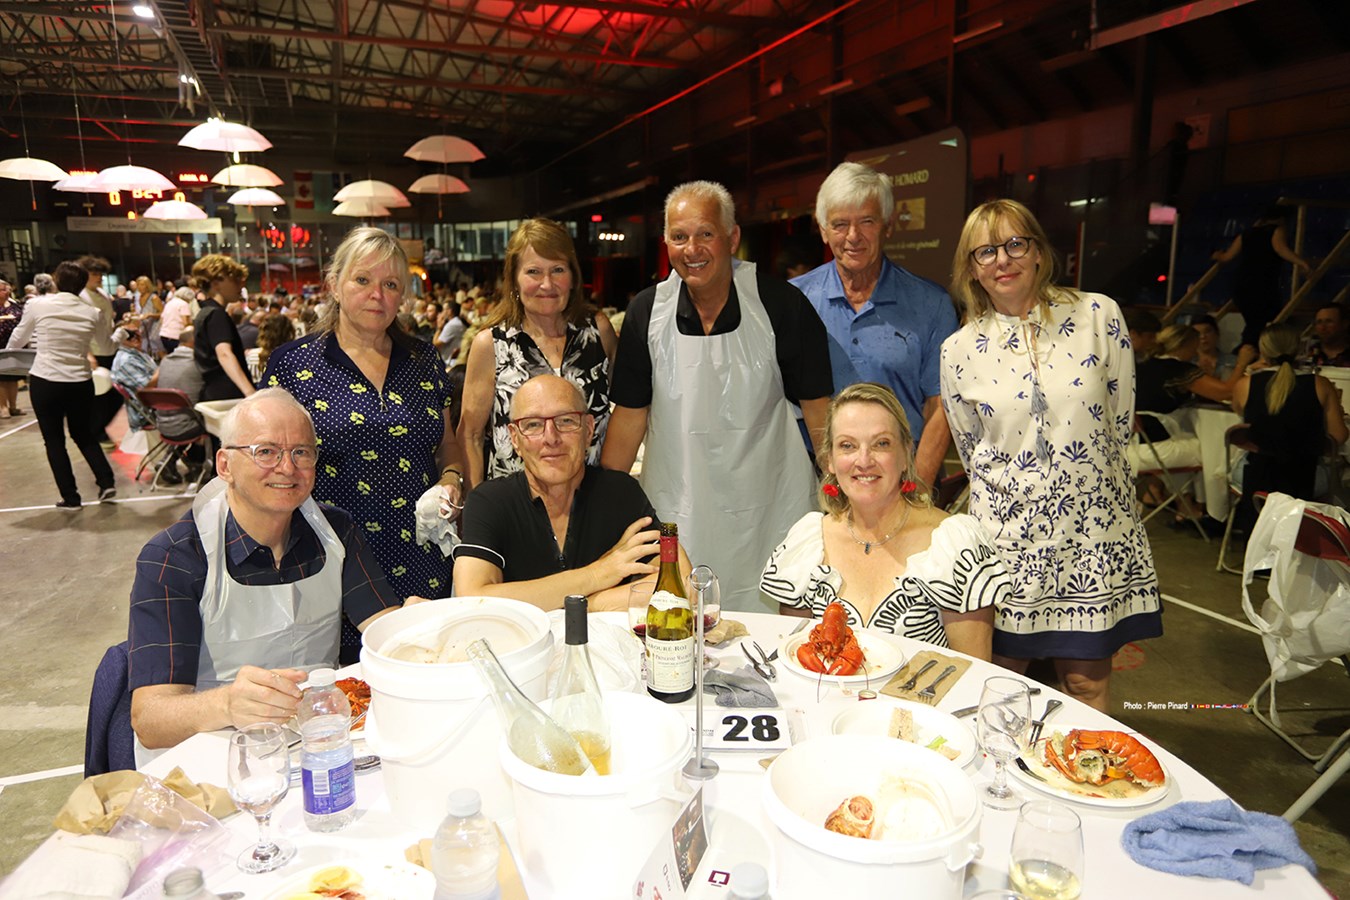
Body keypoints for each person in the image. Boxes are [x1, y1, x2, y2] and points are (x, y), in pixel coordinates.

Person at [939, 199, 1161, 712]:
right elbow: (972, 452)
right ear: (972, 269)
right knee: (997, 688)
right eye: (986, 251)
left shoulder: (1098, 315)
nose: (1002, 259)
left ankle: (1084, 766)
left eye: (1015, 244)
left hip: (1091, 540)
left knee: (1085, 687)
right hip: (1009, 547)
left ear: (1039, 252)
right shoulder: (958, 350)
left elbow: (1120, 419)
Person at [126, 390, 413, 753]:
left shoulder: (335, 532)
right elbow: (150, 720)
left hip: (319, 740)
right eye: (266, 451)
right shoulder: (175, 557)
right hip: (211, 752)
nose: (287, 468)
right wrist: (226, 704)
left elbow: (381, 627)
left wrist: (414, 627)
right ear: (225, 465)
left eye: (301, 452)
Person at [601, 180, 834, 612]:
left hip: (771, 506)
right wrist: (603, 503)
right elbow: (630, 416)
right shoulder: (646, 312)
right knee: (679, 618)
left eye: (705, 233)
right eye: (679, 236)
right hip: (678, 505)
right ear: (666, 242)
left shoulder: (782, 304)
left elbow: (819, 409)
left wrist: (838, 491)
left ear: (732, 237)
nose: (692, 249)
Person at [264, 226, 465, 662]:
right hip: (333, 558)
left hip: (423, 553)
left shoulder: (424, 360)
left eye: (391, 284)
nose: (377, 295)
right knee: (346, 680)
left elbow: (448, 445)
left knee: (426, 660)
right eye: (362, 280)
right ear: (334, 284)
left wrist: (452, 478)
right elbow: (266, 464)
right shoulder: (294, 365)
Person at [761, 383, 1006, 659]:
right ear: (830, 460)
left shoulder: (954, 545)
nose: (864, 460)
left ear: (905, 455)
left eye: (881, 444)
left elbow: (973, 671)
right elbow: (794, 658)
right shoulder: (808, 544)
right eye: (847, 445)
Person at [454, 374, 689, 610]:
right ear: (514, 438)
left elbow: (680, 581)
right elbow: (473, 598)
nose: (551, 438)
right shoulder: (490, 502)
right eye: (533, 424)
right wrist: (598, 574)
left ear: (588, 430)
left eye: (566, 421)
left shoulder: (620, 493)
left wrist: (582, 604)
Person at [790, 162, 958, 486]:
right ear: (823, 230)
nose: (853, 236)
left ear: (888, 226)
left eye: (866, 221)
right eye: (840, 224)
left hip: (905, 481)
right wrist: (833, 485)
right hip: (814, 487)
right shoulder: (794, 301)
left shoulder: (931, 304)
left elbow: (941, 408)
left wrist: (915, 492)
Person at [460, 218, 617, 487]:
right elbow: (470, 436)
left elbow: (625, 414)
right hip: (513, 504)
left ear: (573, 277)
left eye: (557, 270)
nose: (547, 284)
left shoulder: (598, 333)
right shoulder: (490, 345)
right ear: (514, 280)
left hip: (591, 501)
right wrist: (476, 504)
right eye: (533, 271)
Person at [4, 260, 117, 507]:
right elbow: (107, 347)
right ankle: (106, 482)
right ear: (82, 284)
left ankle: (70, 497)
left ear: (56, 279)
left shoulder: (37, 304)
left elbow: (18, 338)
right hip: (80, 381)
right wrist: (122, 334)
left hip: (46, 379)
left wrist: (9, 355)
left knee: (54, 440)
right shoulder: (92, 312)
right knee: (83, 434)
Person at [1129, 324, 1254, 529]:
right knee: (1213, 451)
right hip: (1153, 450)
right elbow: (1225, 392)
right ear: (1185, 345)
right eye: (1194, 346)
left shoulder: (1144, 366)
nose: (1196, 351)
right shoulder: (1179, 370)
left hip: (1132, 445)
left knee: (1189, 441)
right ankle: (1215, 510)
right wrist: (1242, 363)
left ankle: (1188, 506)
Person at [1232, 323, 1348, 521]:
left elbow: (1246, 418)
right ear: (1299, 349)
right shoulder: (1320, 384)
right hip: (1306, 478)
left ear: (1263, 350)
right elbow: (1338, 436)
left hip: (1258, 478)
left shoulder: (1245, 385)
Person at [1212, 205, 1311, 352]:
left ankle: (1247, 349)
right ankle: (1249, 350)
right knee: (1263, 321)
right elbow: (1280, 249)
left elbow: (1227, 257)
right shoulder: (1276, 230)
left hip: (1242, 283)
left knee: (1254, 322)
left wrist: (1217, 255)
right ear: (1282, 219)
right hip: (1262, 284)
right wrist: (1301, 262)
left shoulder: (1246, 233)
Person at [190, 255, 255, 401]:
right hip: (228, 396)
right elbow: (224, 354)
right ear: (216, 283)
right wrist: (251, 393)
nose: (241, 286)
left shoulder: (204, 313)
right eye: (235, 280)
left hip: (213, 393)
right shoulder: (217, 314)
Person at [154, 326, 207, 485]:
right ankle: (198, 466)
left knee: (186, 417)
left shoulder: (165, 361)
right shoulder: (198, 364)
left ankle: (169, 461)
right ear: (194, 343)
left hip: (162, 424)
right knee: (211, 422)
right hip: (187, 427)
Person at [77, 256, 120, 446]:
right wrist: (88, 353)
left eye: (100, 274)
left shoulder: (102, 293)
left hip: (110, 347)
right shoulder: (81, 295)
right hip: (94, 350)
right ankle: (96, 432)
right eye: (95, 274)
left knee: (115, 395)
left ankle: (101, 428)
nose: (99, 277)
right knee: (100, 396)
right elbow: (79, 328)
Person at [110, 319, 159, 432]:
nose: (135, 337)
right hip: (149, 413)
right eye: (129, 335)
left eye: (137, 332)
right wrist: (164, 368)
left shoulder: (138, 353)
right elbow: (146, 388)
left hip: (156, 402)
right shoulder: (125, 361)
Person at [0, 278, 24, 417]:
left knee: (13, 377)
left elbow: (21, 317)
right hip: (0, 345)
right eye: (2, 290)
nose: (6, 292)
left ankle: (13, 406)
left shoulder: (14, 304)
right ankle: (3, 407)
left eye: (6, 289)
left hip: (13, 345)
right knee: (1, 377)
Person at [1310, 302, 1350, 367]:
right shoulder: (1309, 353)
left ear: (1344, 324)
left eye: (1329, 321)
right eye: (1319, 322)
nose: (1323, 327)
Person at [157, 286, 194, 355]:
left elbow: (162, 320)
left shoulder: (169, 303)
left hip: (164, 335)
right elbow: (185, 322)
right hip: (176, 336)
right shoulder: (184, 304)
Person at [434, 302, 467, 368]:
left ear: (449, 311)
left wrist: (439, 328)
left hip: (449, 363)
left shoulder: (452, 325)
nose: (442, 313)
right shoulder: (455, 322)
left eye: (443, 310)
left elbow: (436, 344)